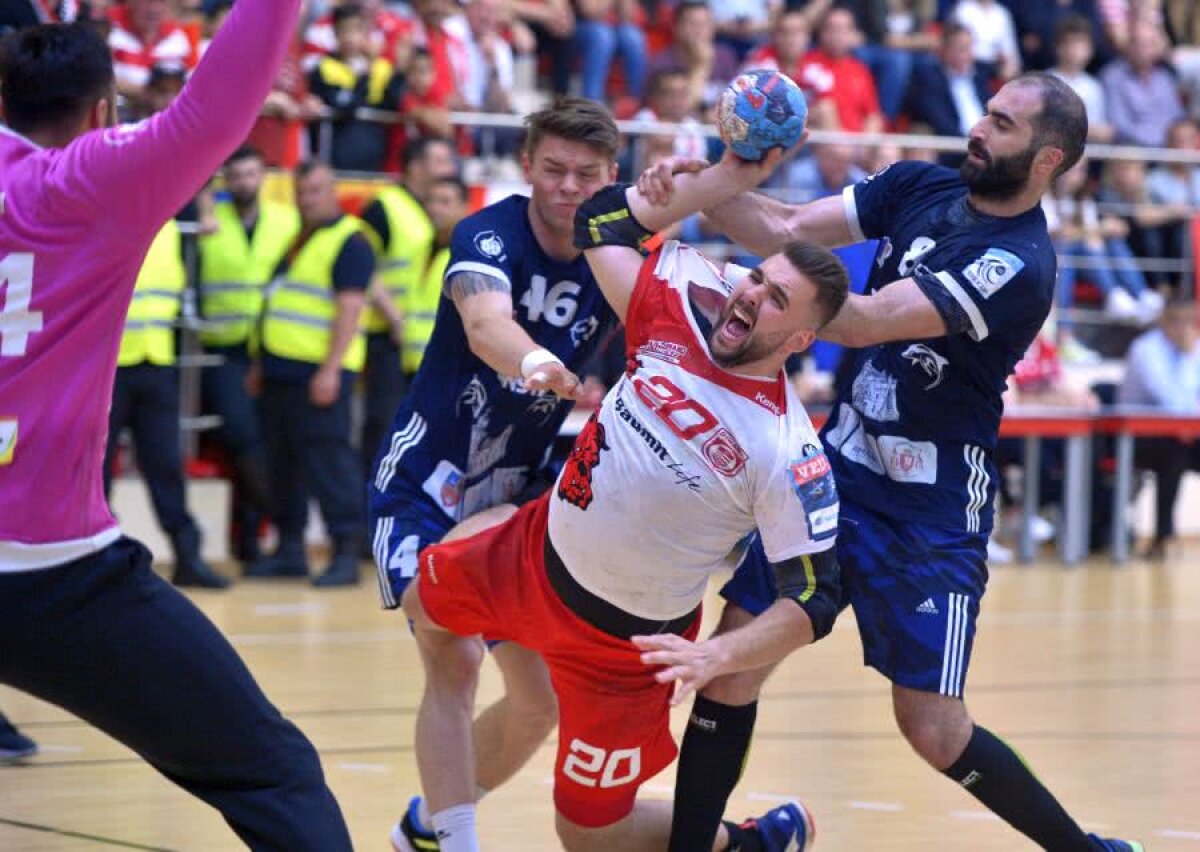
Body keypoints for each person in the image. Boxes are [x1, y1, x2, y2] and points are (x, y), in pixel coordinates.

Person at [638, 72, 1143, 852]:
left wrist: (768, 291)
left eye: (1002, 125)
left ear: (1047, 160)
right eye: (985, 111)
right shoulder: (919, 185)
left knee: (933, 727)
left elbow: (868, 320)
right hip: (837, 473)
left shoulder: (1018, 262)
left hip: (930, 508)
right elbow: (783, 228)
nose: (978, 129)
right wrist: (702, 179)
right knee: (734, 660)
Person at [402, 152, 848, 852]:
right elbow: (600, 221)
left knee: (586, 833)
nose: (752, 297)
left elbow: (816, 596)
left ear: (800, 340)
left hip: (621, 651)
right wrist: (694, 181)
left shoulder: (788, 449)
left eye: (776, 301)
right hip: (530, 555)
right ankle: (443, 833)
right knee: (424, 607)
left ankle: (747, 843)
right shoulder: (676, 308)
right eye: (758, 278)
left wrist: (722, 656)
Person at [0, 9, 351, 850]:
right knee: (273, 774)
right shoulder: (86, 181)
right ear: (102, 113)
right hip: (50, 575)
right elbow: (215, 111)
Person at [369, 97, 629, 851]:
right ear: (526, 167)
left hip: (518, 494)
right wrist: (541, 363)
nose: (567, 186)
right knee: (454, 651)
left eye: (585, 174)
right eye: (552, 170)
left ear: (610, 175)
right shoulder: (488, 229)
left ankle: (424, 827)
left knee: (539, 705)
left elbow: (674, 205)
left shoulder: (614, 248)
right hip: (424, 481)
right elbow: (485, 325)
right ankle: (457, 841)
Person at [249, 159, 371, 588]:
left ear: (333, 190)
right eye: (301, 192)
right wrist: (262, 364)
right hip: (281, 372)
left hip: (317, 374)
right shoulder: (298, 238)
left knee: (330, 464)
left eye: (316, 191)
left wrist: (331, 370)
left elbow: (350, 309)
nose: (307, 199)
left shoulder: (350, 241)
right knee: (283, 465)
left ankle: (344, 552)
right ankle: (289, 549)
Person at [105, 215, 231, 589]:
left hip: (156, 363)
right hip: (107, 368)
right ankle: (99, 563)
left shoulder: (171, 228)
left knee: (166, 465)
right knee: (95, 473)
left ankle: (188, 557)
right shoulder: (107, 218)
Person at [196, 144, 300, 567]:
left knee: (267, 441)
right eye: (236, 175)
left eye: (251, 174)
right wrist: (201, 206)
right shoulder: (209, 223)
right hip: (223, 346)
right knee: (242, 439)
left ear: (263, 177)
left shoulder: (286, 221)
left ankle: (255, 541)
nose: (244, 182)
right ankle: (283, 523)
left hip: (273, 346)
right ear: (225, 180)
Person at [358, 136, 458, 475]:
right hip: (386, 337)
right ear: (416, 167)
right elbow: (360, 264)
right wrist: (393, 316)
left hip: (420, 350)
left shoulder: (425, 215)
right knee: (382, 426)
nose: (449, 168)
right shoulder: (385, 206)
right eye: (440, 161)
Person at [1117, 298, 1200, 560]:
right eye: (1178, 321)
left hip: (1181, 434)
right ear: (1164, 320)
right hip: (1134, 439)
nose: (1185, 328)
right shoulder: (1145, 349)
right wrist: (1187, 356)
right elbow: (1173, 403)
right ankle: (1163, 536)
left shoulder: (1196, 348)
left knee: (1180, 447)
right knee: (1173, 454)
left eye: (1191, 321)